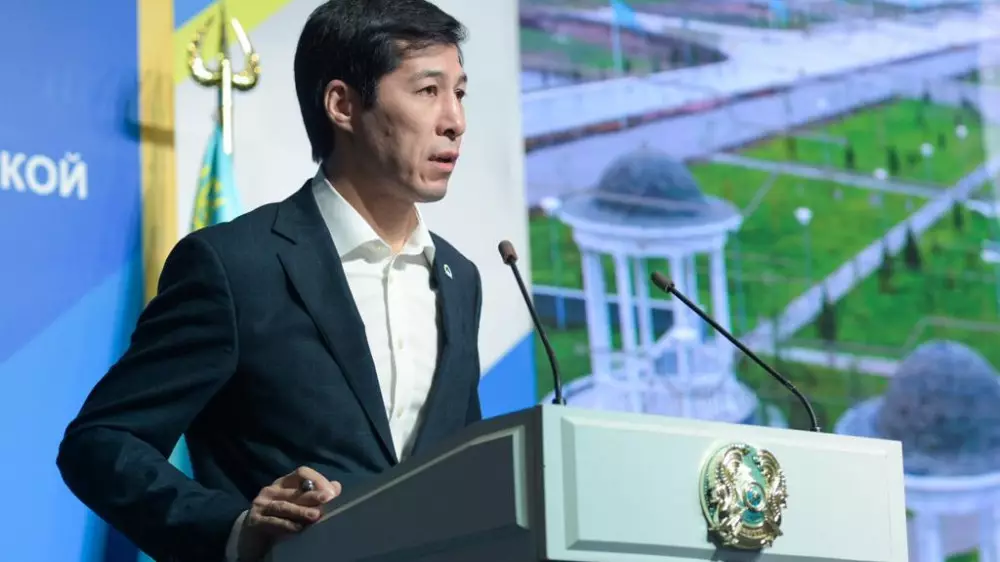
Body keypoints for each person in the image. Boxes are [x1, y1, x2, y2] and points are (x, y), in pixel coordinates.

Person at [56, 1, 481, 561]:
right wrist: (234, 529)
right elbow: (101, 442)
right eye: (428, 91)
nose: (455, 120)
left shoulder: (460, 278)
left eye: (460, 93)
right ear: (342, 105)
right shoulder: (236, 266)